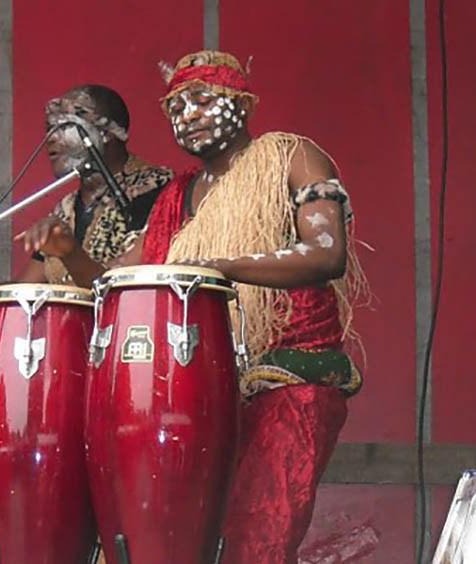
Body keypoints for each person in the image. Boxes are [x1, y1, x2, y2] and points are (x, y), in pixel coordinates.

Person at [137, 50, 367, 563]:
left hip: (291, 377)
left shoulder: (292, 156)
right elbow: (125, 279)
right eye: (176, 107)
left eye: (202, 99)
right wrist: (65, 253)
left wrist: (219, 269)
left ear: (241, 104)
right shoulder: (176, 196)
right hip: (206, 390)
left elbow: (326, 253)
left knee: (255, 543)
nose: (187, 116)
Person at [0, 84, 173, 301]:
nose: (50, 139)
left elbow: (121, 294)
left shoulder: (158, 191)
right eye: (49, 129)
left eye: (63, 127)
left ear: (105, 134)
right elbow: (25, 292)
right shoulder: (65, 209)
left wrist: (70, 253)